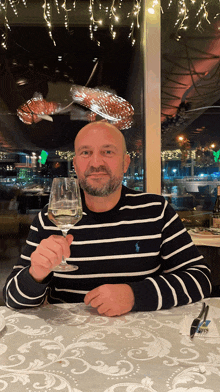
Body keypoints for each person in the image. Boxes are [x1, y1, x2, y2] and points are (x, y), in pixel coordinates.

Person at [3, 121, 212, 316]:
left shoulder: (156, 210)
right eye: (86, 152)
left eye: (108, 152)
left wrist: (135, 296)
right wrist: (36, 274)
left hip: (143, 340)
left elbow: (200, 279)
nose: (96, 162)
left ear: (125, 162)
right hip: (68, 341)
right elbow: (12, 299)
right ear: (75, 164)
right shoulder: (49, 218)